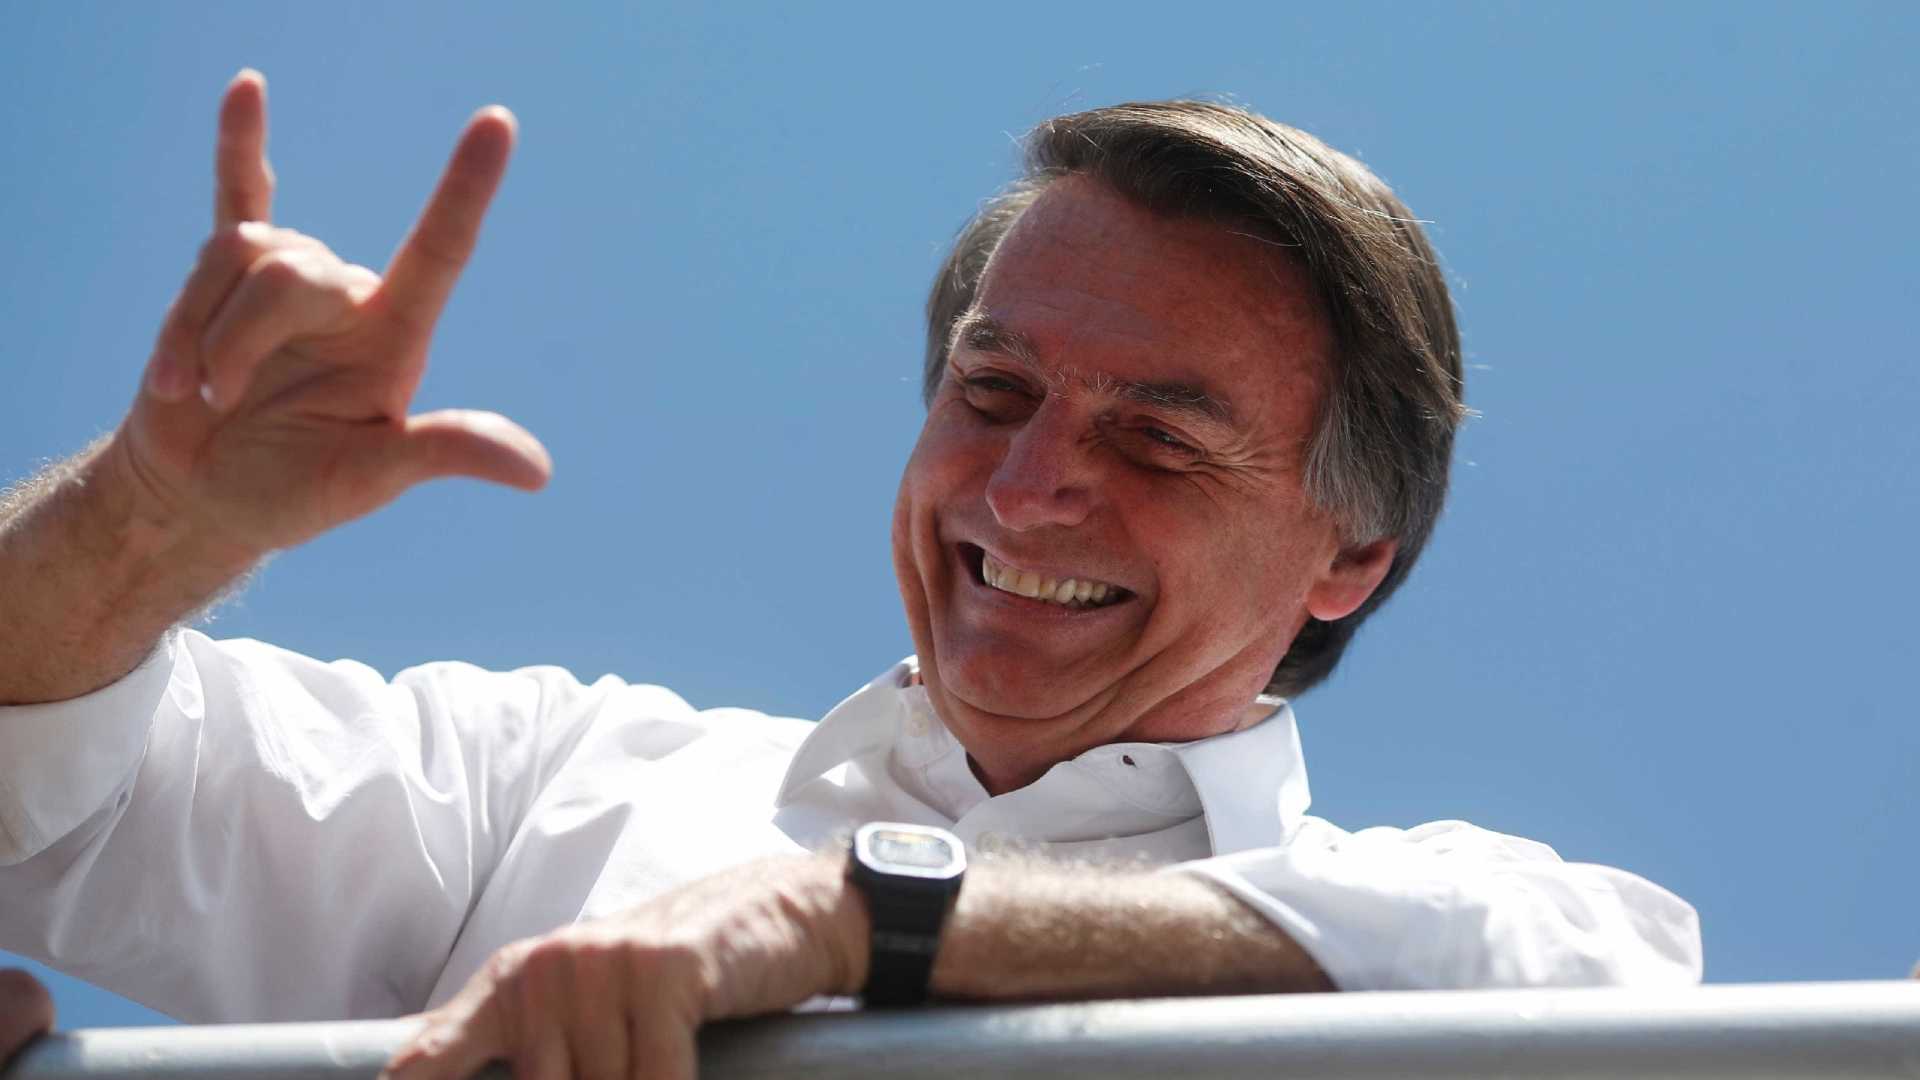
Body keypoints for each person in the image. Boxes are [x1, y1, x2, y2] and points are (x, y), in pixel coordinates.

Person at [0, 71, 1701, 1079]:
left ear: (1351, 555)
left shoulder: (1419, 926)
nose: (1025, 492)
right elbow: (54, 778)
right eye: (993, 394)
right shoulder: (553, 792)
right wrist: (149, 519)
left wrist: (850, 915)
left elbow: (1603, 987)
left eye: (1158, 441)